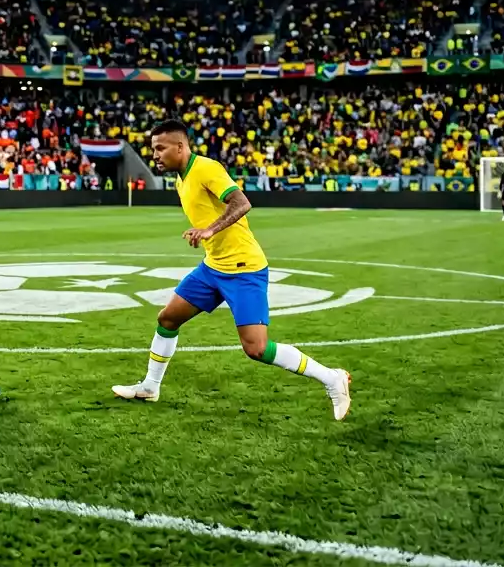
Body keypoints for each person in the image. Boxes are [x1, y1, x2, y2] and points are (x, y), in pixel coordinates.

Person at [111, 119, 352, 420]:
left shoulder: (206, 169)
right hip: (213, 268)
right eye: (153, 149)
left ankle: (333, 378)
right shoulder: (181, 179)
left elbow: (241, 203)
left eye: (160, 148)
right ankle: (150, 386)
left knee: (257, 348)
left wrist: (210, 230)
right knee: (168, 318)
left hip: (244, 268)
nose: (155, 155)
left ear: (180, 146)